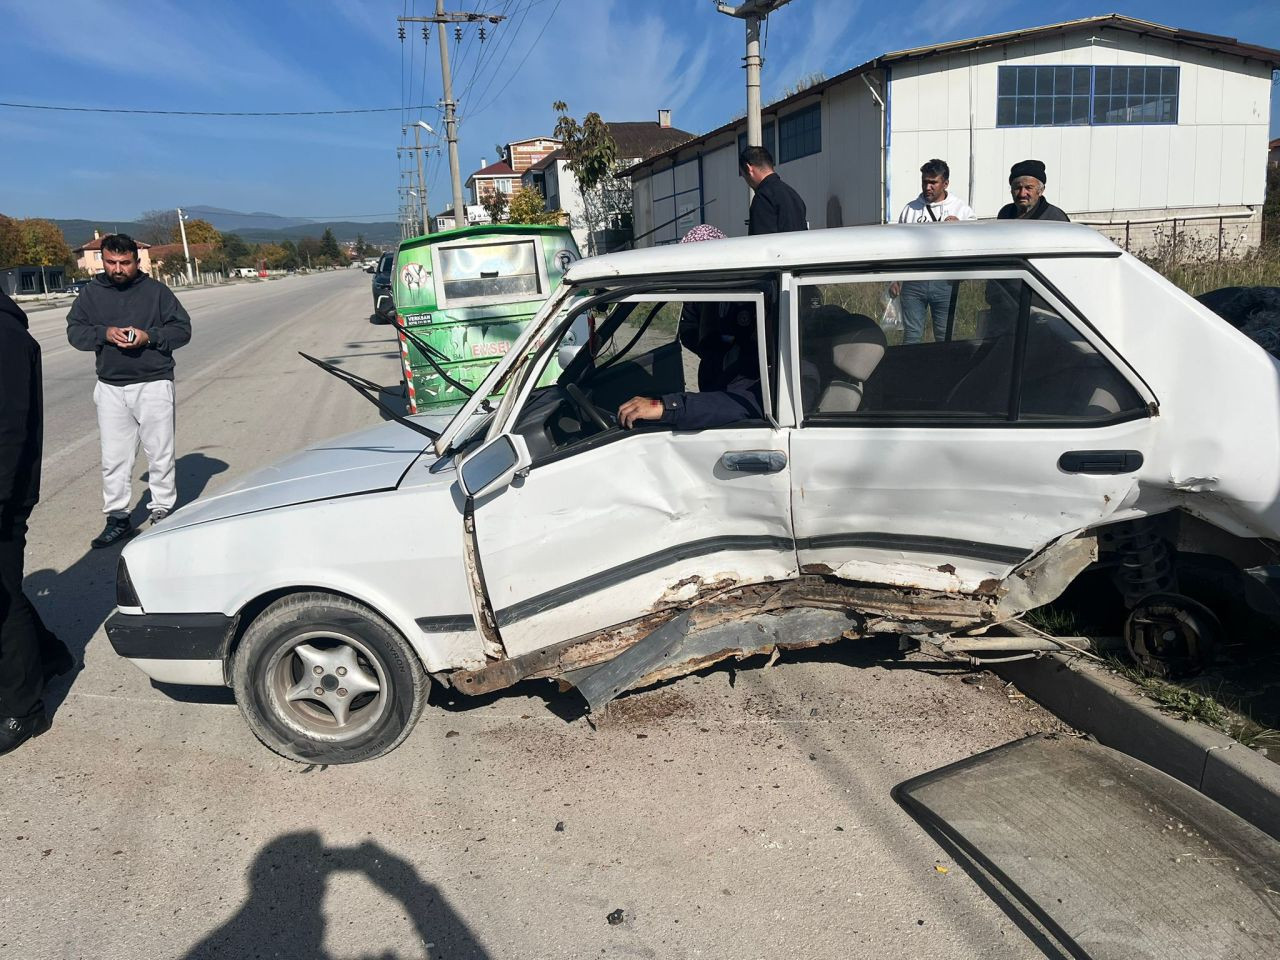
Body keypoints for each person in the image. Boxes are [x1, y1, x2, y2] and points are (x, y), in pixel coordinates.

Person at [66, 234, 192, 548]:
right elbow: (75, 331)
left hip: (153, 383)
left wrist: (149, 337)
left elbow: (183, 330)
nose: (118, 268)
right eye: (111, 262)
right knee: (114, 459)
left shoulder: (157, 292)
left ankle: (163, 511)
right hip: (110, 388)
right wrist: (104, 333)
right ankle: (118, 518)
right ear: (103, 260)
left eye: (125, 263)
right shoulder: (91, 295)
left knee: (159, 453)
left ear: (136, 261)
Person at [1, 291, 74, 755]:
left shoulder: (5, 335)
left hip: (4, 494)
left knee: (3, 601)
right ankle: (48, 654)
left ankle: (23, 712)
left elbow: (9, 427)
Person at [893, 159, 976, 344]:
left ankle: (944, 371)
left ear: (945, 183)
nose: (928, 187)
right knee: (912, 335)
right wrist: (896, 278)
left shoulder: (961, 209)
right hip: (914, 280)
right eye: (925, 182)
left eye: (933, 182)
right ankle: (912, 371)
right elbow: (900, 246)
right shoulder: (910, 209)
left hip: (945, 280)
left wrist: (962, 227)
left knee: (945, 335)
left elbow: (976, 241)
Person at [739, 146, 807, 235]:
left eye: (744, 176)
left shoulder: (763, 198)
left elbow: (761, 243)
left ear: (748, 169)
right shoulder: (793, 195)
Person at [997, 160, 1070, 221]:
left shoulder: (1055, 218)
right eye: (1017, 188)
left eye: (1029, 188)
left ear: (1041, 190)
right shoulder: (1005, 213)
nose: (1022, 194)